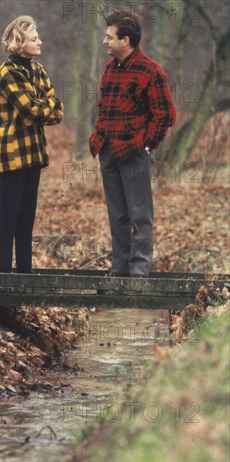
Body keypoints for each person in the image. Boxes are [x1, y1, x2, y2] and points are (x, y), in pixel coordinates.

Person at [90, 10, 177, 277]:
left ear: (125, 40)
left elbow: (166, 115)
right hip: (108, 151)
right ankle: (120, 268)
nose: (105, 41)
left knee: (140, 216)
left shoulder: (150, 71)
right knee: (117, 216)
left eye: (109, 37)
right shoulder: (109, 69)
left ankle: (139, 271)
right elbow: (105, 110)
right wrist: (98, 139)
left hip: (134, 154)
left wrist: (147, 145)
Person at [0, 15, 64, 273]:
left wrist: (44, 106)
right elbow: (31, 111)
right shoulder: (7, 72)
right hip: (11, 152)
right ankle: (4, 272)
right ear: (19, 43)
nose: (40, 42)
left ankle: (24, 271)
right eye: (34, 39)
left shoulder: (39, 70)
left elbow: (58, 110)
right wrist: (44, 106)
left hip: (33, 152)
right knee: (9, 215)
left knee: (27, 217)